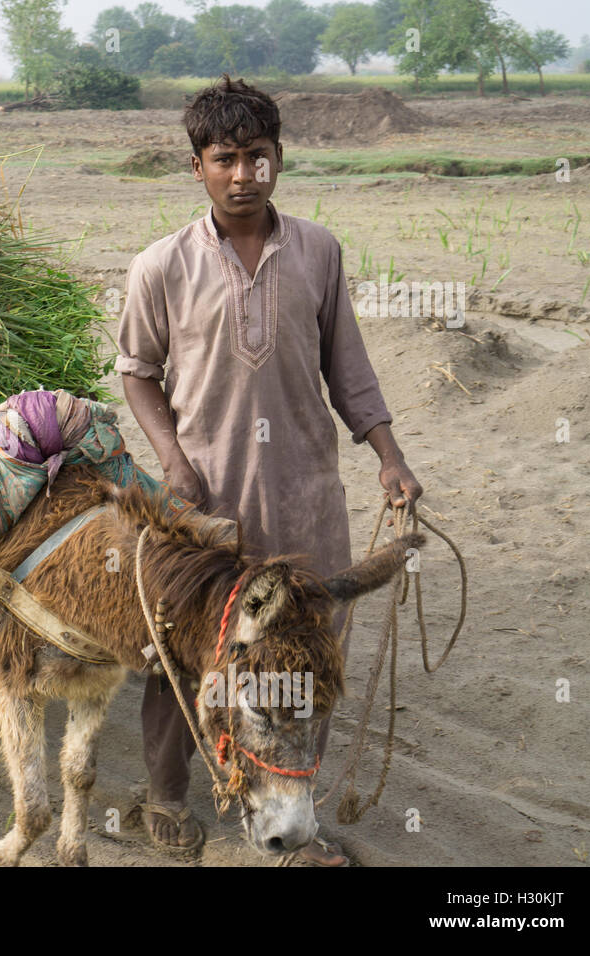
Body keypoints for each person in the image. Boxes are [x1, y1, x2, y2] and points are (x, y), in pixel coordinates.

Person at [115, 75, 423, 866]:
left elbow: (347, 368)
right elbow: (136, 373)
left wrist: (389, 456)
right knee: (183, 656)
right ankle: (168, 794)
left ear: (279, 158)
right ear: (198, 168)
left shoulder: (318, 250)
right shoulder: (161, 266)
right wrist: (173, 461)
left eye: (259, 157)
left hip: (305, 495)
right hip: (207, 507)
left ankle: (289, 802)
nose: (244, 174)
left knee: (305, 656)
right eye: (226, 159)